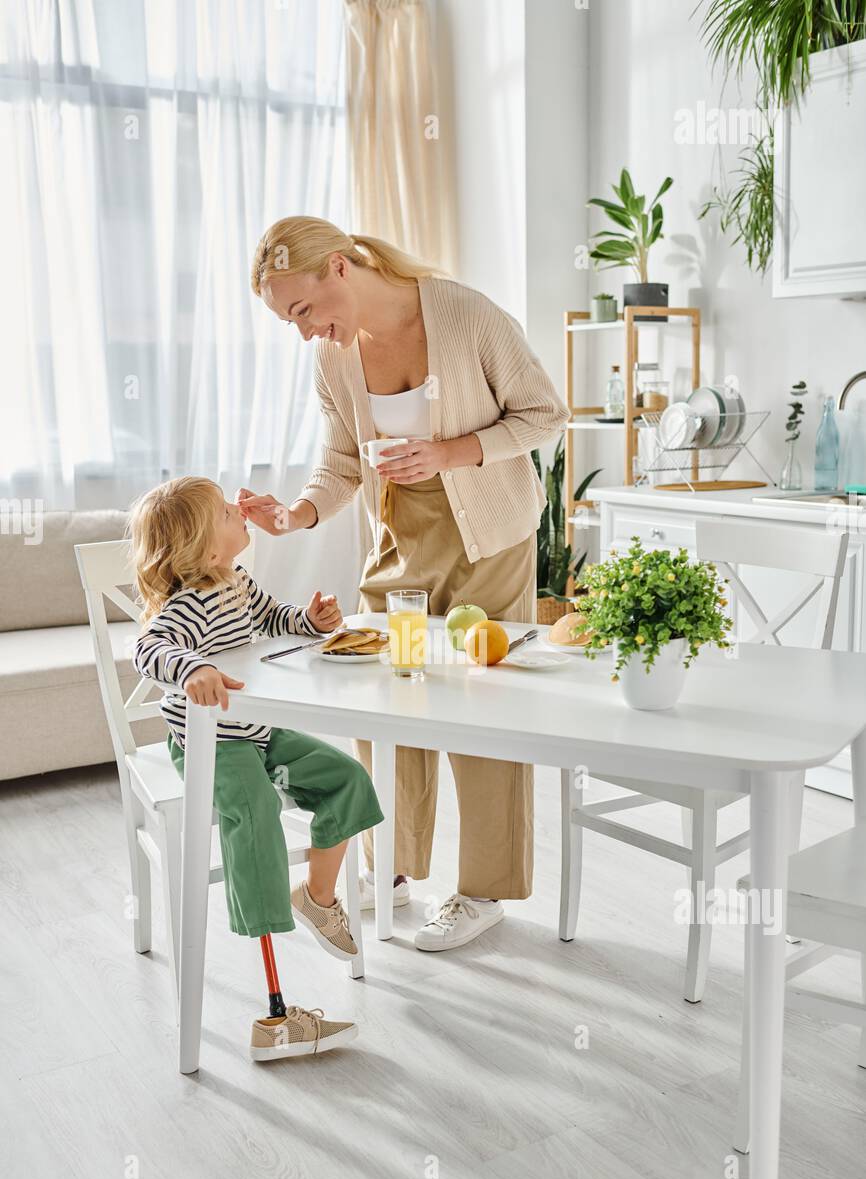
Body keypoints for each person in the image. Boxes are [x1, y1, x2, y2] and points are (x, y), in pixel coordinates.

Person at [243, 216, 568, 952]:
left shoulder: (465, 314)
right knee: (383, 703)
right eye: (287, 322)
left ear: (340, 270)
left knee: (484, 710)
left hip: (489, 533)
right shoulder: (334, 360)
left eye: (301, 311)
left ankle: (483, 890)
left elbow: (546, 413)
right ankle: (386, 868)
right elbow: (342, 462)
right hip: (398, 541)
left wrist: (448, 451)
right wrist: (295, 514)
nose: (303, 333)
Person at [129, 475, 384, 1058]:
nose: (239, 509)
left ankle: (317, 897)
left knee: (346, 778)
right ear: (205, 548)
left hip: (260, 734)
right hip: (209, 743)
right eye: (225, 511)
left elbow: (275, 618)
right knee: (255, 811)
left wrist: (312, 621)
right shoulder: (184, 605)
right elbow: (150, 648)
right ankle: (275, 1016)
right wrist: (191, 669)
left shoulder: (237, 580)